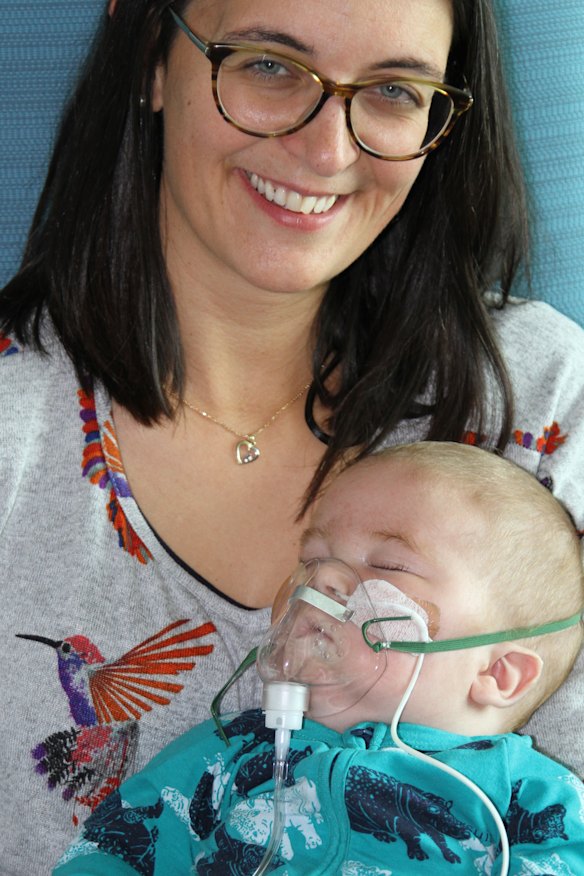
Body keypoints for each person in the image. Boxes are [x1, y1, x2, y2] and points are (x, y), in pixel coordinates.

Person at [1, 0, 583, 873]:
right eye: (269, 66)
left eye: (393, 89)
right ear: (153, 58)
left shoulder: (549, 405)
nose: (327, 152)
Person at [52, 442, 584, 875]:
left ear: (496, 673)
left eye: (389, 565)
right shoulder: (225, 756)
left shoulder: (527, 796)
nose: (322, 582)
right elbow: (113, 851)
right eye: (311, 559)